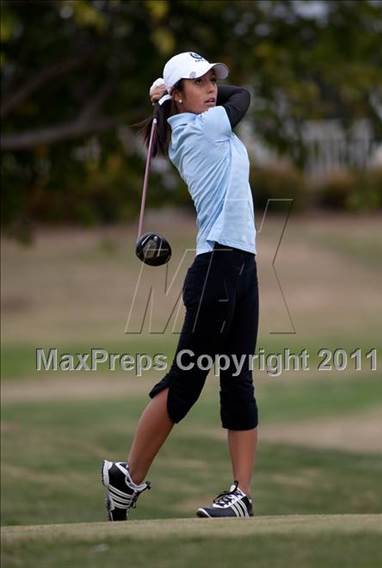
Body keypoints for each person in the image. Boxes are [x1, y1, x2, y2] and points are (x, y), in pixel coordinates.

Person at [102, 51, 259, 520]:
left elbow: (228, 94)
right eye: (199, 82)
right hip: (216, 270)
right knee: (186, 382)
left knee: (238, 380)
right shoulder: (200, 130)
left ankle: (241, 497)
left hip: (242, 265)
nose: (212, 88)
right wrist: (166, 95)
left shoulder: (199, 118)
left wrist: (169, 92)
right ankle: (126, 478)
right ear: (178, 96)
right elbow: (243, 96)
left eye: (212, 78)